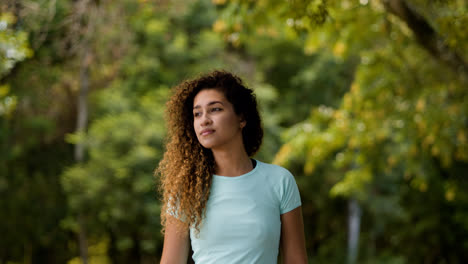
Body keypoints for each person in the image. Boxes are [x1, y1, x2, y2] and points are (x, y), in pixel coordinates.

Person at [157, 70, 307, 263]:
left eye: (215, 109)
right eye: (197, 113)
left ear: (242, 118)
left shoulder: (280, 181)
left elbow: (296, 260)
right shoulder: (187, 189)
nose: (204, 120)